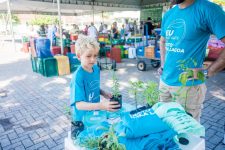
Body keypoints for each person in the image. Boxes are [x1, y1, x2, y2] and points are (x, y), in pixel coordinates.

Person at [158, 0, 225, 122]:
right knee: (164, 124)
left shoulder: (208, 9)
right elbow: (162, 41)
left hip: (188, 86)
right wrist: (163, 64)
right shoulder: (169, 14)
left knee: (187, 133)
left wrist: (208, 72)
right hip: (164, 83)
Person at [70, 35, 120, 137]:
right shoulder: (78, 76)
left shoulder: (95, 69)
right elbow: (79, 105)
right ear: (79, 56)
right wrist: (102, 106)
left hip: (94, 115)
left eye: (95, 55)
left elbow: (93, 86)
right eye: (88, 56)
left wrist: (103, 93)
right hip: (82, 120)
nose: (93, 59)